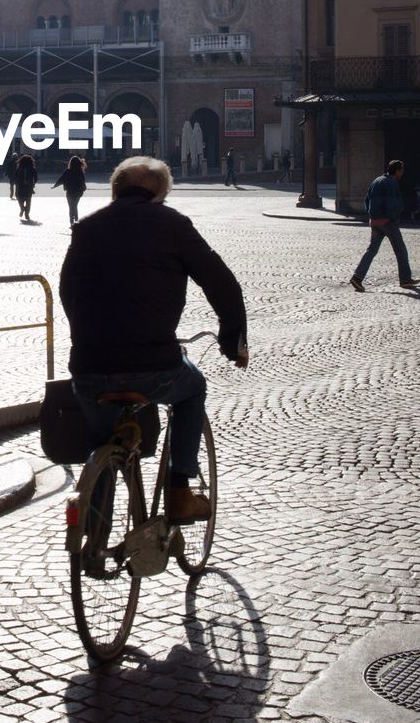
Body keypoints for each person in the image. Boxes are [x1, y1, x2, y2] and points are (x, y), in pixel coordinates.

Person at [59, 156, 248, 523]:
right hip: (153, 367)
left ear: (115, 189)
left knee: (100, 438)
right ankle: (179, 492)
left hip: (89, 368)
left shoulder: (86, 227)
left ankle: (94, 532)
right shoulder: (172, 224)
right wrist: (232, 342)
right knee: (192, 390)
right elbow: (221, 283)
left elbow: (67, 291)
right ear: (160, 193)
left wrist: (87, 337)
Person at [350, 160, 420, 292]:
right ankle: (405, 279)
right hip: (387, 221)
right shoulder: (391, 183)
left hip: (376, 222)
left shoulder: (377, 180)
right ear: (398, 171)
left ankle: (357, 278)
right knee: (401, 250)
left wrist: (372, 217)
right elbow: (391, 203)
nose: (402, 173)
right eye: (402, 170)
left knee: (371, 250)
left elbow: (367, 199)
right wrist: (392, 217)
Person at [52, 155, 87, 225]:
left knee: (71, 206)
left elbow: (61, 179)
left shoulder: (68, 171)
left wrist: (55, 186)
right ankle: (76, 219)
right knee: (75, 205)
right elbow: (83, 181)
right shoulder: (80, 171)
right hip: (78, 191)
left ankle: (71, 220)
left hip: (70, 191)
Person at [14, 153, 37, 220]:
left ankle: (24, 211)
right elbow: (36, 177)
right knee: (28, 201)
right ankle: (25, 212)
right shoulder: (31, 168)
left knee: (20, 199)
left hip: (23, 187)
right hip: (27, 187)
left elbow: (15, 176)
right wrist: (33, 184)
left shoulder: (20, 168)